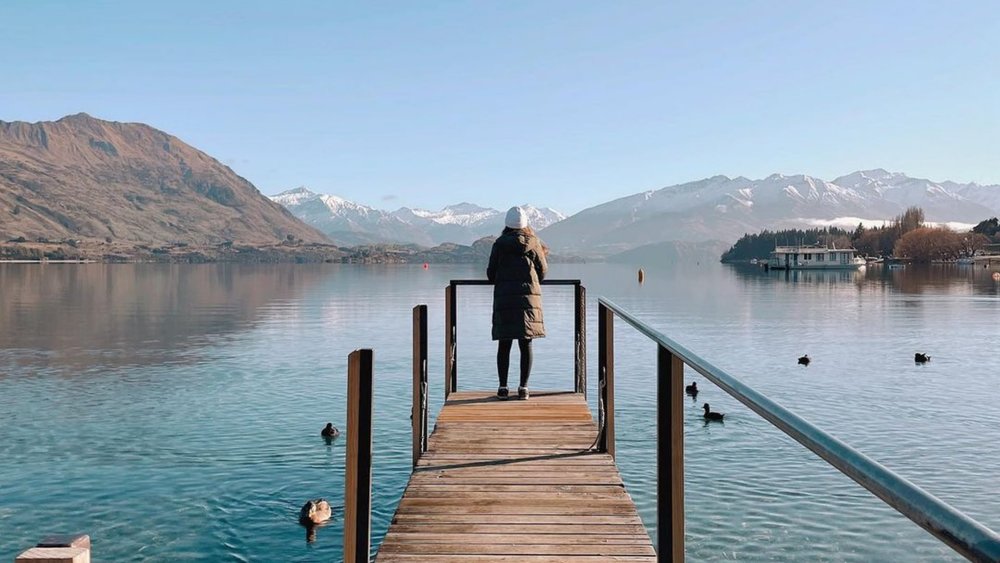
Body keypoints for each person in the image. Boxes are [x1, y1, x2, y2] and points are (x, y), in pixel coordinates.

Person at [486, 206, 548, 400]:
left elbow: (490, 274)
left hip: (505, 298)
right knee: (526, 343)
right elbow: (543, 271)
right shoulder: (534, 243)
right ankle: (523, 388)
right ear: (525, 224)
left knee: (504, 344)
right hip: (528, 299)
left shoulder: (499, 244)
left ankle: (503, 388)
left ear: (506, 224)